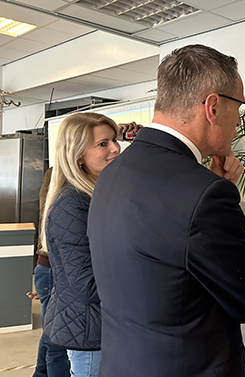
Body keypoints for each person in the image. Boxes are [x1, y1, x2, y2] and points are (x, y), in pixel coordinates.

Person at [87, 45, 245, 377]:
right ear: (213, 107)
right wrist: (220, 193)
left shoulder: (113, 172)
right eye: (240, 106)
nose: (239, 120)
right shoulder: (205, 194)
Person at [40, 113, 129, 377]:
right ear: (78, 155)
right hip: (90, 332)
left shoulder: (97, 193)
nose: (115, 148)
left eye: (114, 139)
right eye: (103, 144)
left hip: (102, 326)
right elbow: (86, 285)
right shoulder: (72, 204)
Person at [29, 167, 71, 377]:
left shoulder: (53, 179)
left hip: (47, 269)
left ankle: (39, 374)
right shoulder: (67, 198)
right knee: (57, 339)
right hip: (54, 269)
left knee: (50, 333)